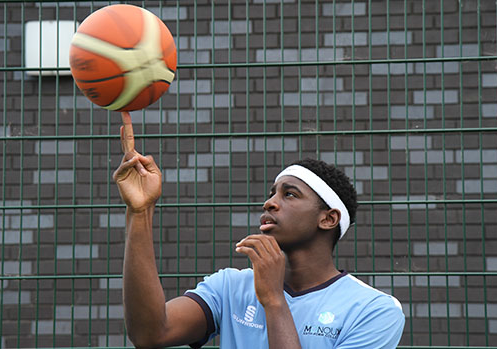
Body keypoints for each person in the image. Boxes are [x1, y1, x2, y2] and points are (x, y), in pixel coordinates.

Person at [113, 111, 405, 349]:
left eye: (289, 194)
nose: (270, 203)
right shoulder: (229, 286)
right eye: (272, 193)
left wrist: (274, 300)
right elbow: (151, 334)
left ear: (328, 219)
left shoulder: (374, 310)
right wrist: (139, 212)